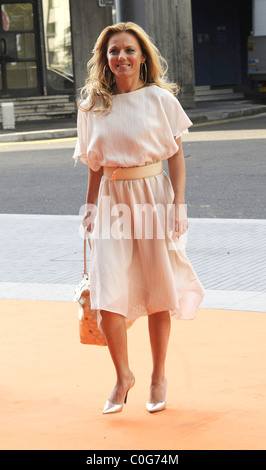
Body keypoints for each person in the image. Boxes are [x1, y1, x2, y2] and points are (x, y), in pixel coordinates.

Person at [73, 21, 205, 414]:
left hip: (154, 198)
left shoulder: (160, 100)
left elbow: (176, 156)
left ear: (143, 55)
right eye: (113, 51)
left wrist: (179, 204)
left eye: (129, 50)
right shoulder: (93, 107)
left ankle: (158, 375)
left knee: (157, 289)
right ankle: (123, 375)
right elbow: (94, 165)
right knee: (106, 291)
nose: (121, 57)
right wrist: (90, 206)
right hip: (113, 201)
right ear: (104, 58)